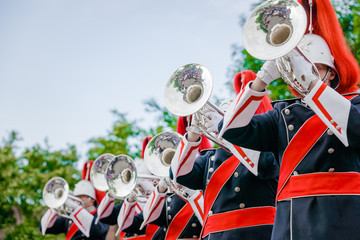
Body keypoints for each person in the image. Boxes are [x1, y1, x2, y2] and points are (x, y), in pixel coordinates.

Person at [216, 1, 360, 239]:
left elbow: (355, 127)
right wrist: (261, 79)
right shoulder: (282, 114)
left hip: (343, 216)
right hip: (291, 221)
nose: (305, 73)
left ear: (331, 73)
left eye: (317, 68)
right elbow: (230, 130)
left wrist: (312, 84)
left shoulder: (353, 102)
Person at [170, 71, 279, 240]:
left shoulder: (264, 147)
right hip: (216, 235)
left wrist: (228, 135)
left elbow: (266, 166)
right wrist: (193, 132)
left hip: (256, 233)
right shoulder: (209, 159)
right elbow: (179, 174)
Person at [40, 179, 109, 240]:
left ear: (92, 199)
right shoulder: (70, 216)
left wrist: (76, 208)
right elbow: (45, 228)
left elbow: (98, 231)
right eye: (77, 196)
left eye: (82, 196)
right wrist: (55, 207)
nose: (78, 199)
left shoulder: (102, 215)